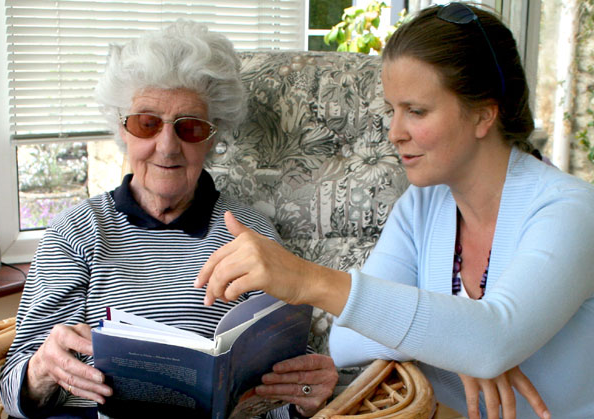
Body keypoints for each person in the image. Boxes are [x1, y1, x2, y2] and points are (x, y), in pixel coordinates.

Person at [195, 3, 594, 418]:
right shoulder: (422, 206)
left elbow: (492, 340)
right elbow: (348, 341)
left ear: (483, 114)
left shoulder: (571, 212)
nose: (394, 133)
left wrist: (304, 278)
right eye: (392, 110)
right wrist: (461, 344)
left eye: (416, 111)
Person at [0, 20, 337, 419]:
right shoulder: (75, 230)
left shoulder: (250, 233)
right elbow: (12, 391)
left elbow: (278, 398)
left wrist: (306, 400)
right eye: (147, 122)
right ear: (122, 129)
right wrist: (41, 371)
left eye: (189, 127)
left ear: (212, 138)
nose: (167, 146)